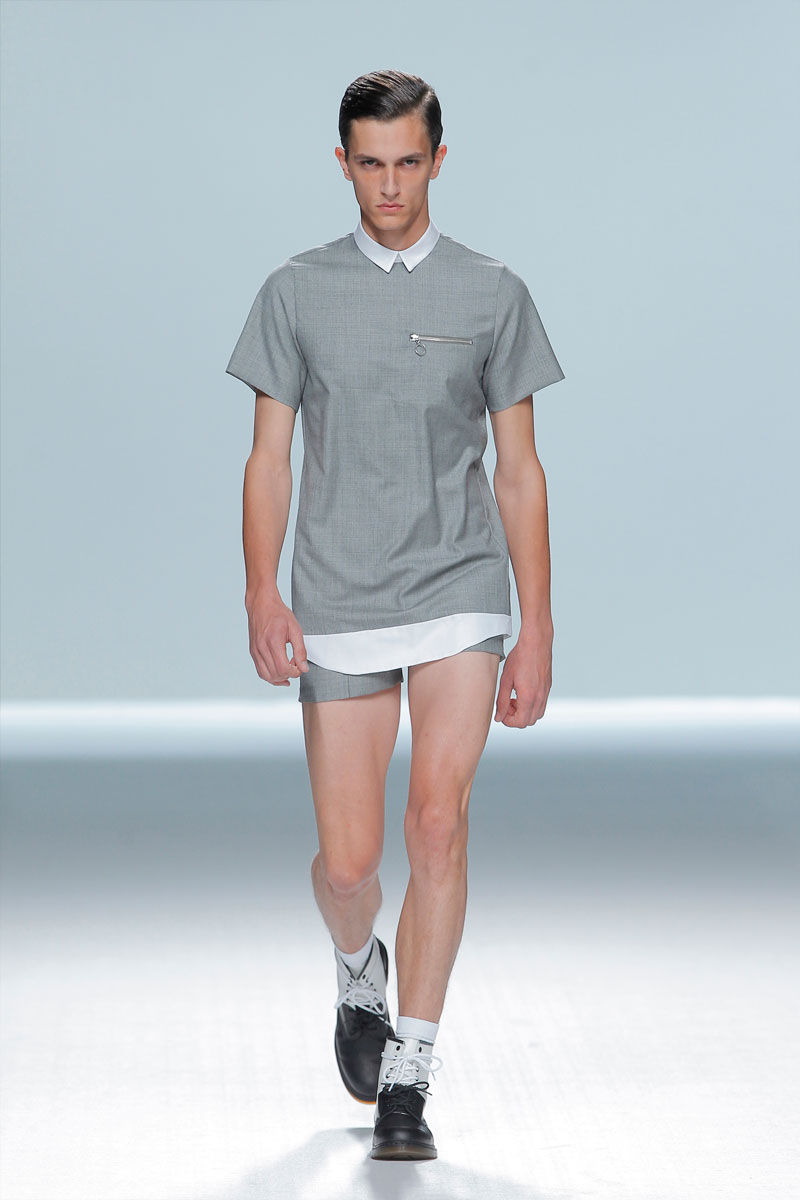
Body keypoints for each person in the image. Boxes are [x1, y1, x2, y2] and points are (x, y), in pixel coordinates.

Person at [225, 68, 565, 1162]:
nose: (388, 184)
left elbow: (519, 471)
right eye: (369, 164)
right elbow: (268, 458)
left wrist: (535, 627)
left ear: (437, 160)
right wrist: (262, 589)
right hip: (336, 592)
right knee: (346, 866)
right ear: (342, 163)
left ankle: (410, 1073)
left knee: (438, 825)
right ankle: (356, 970)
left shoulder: (492, 292)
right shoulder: (295, 291)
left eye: (407, 162)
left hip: (459, 588)